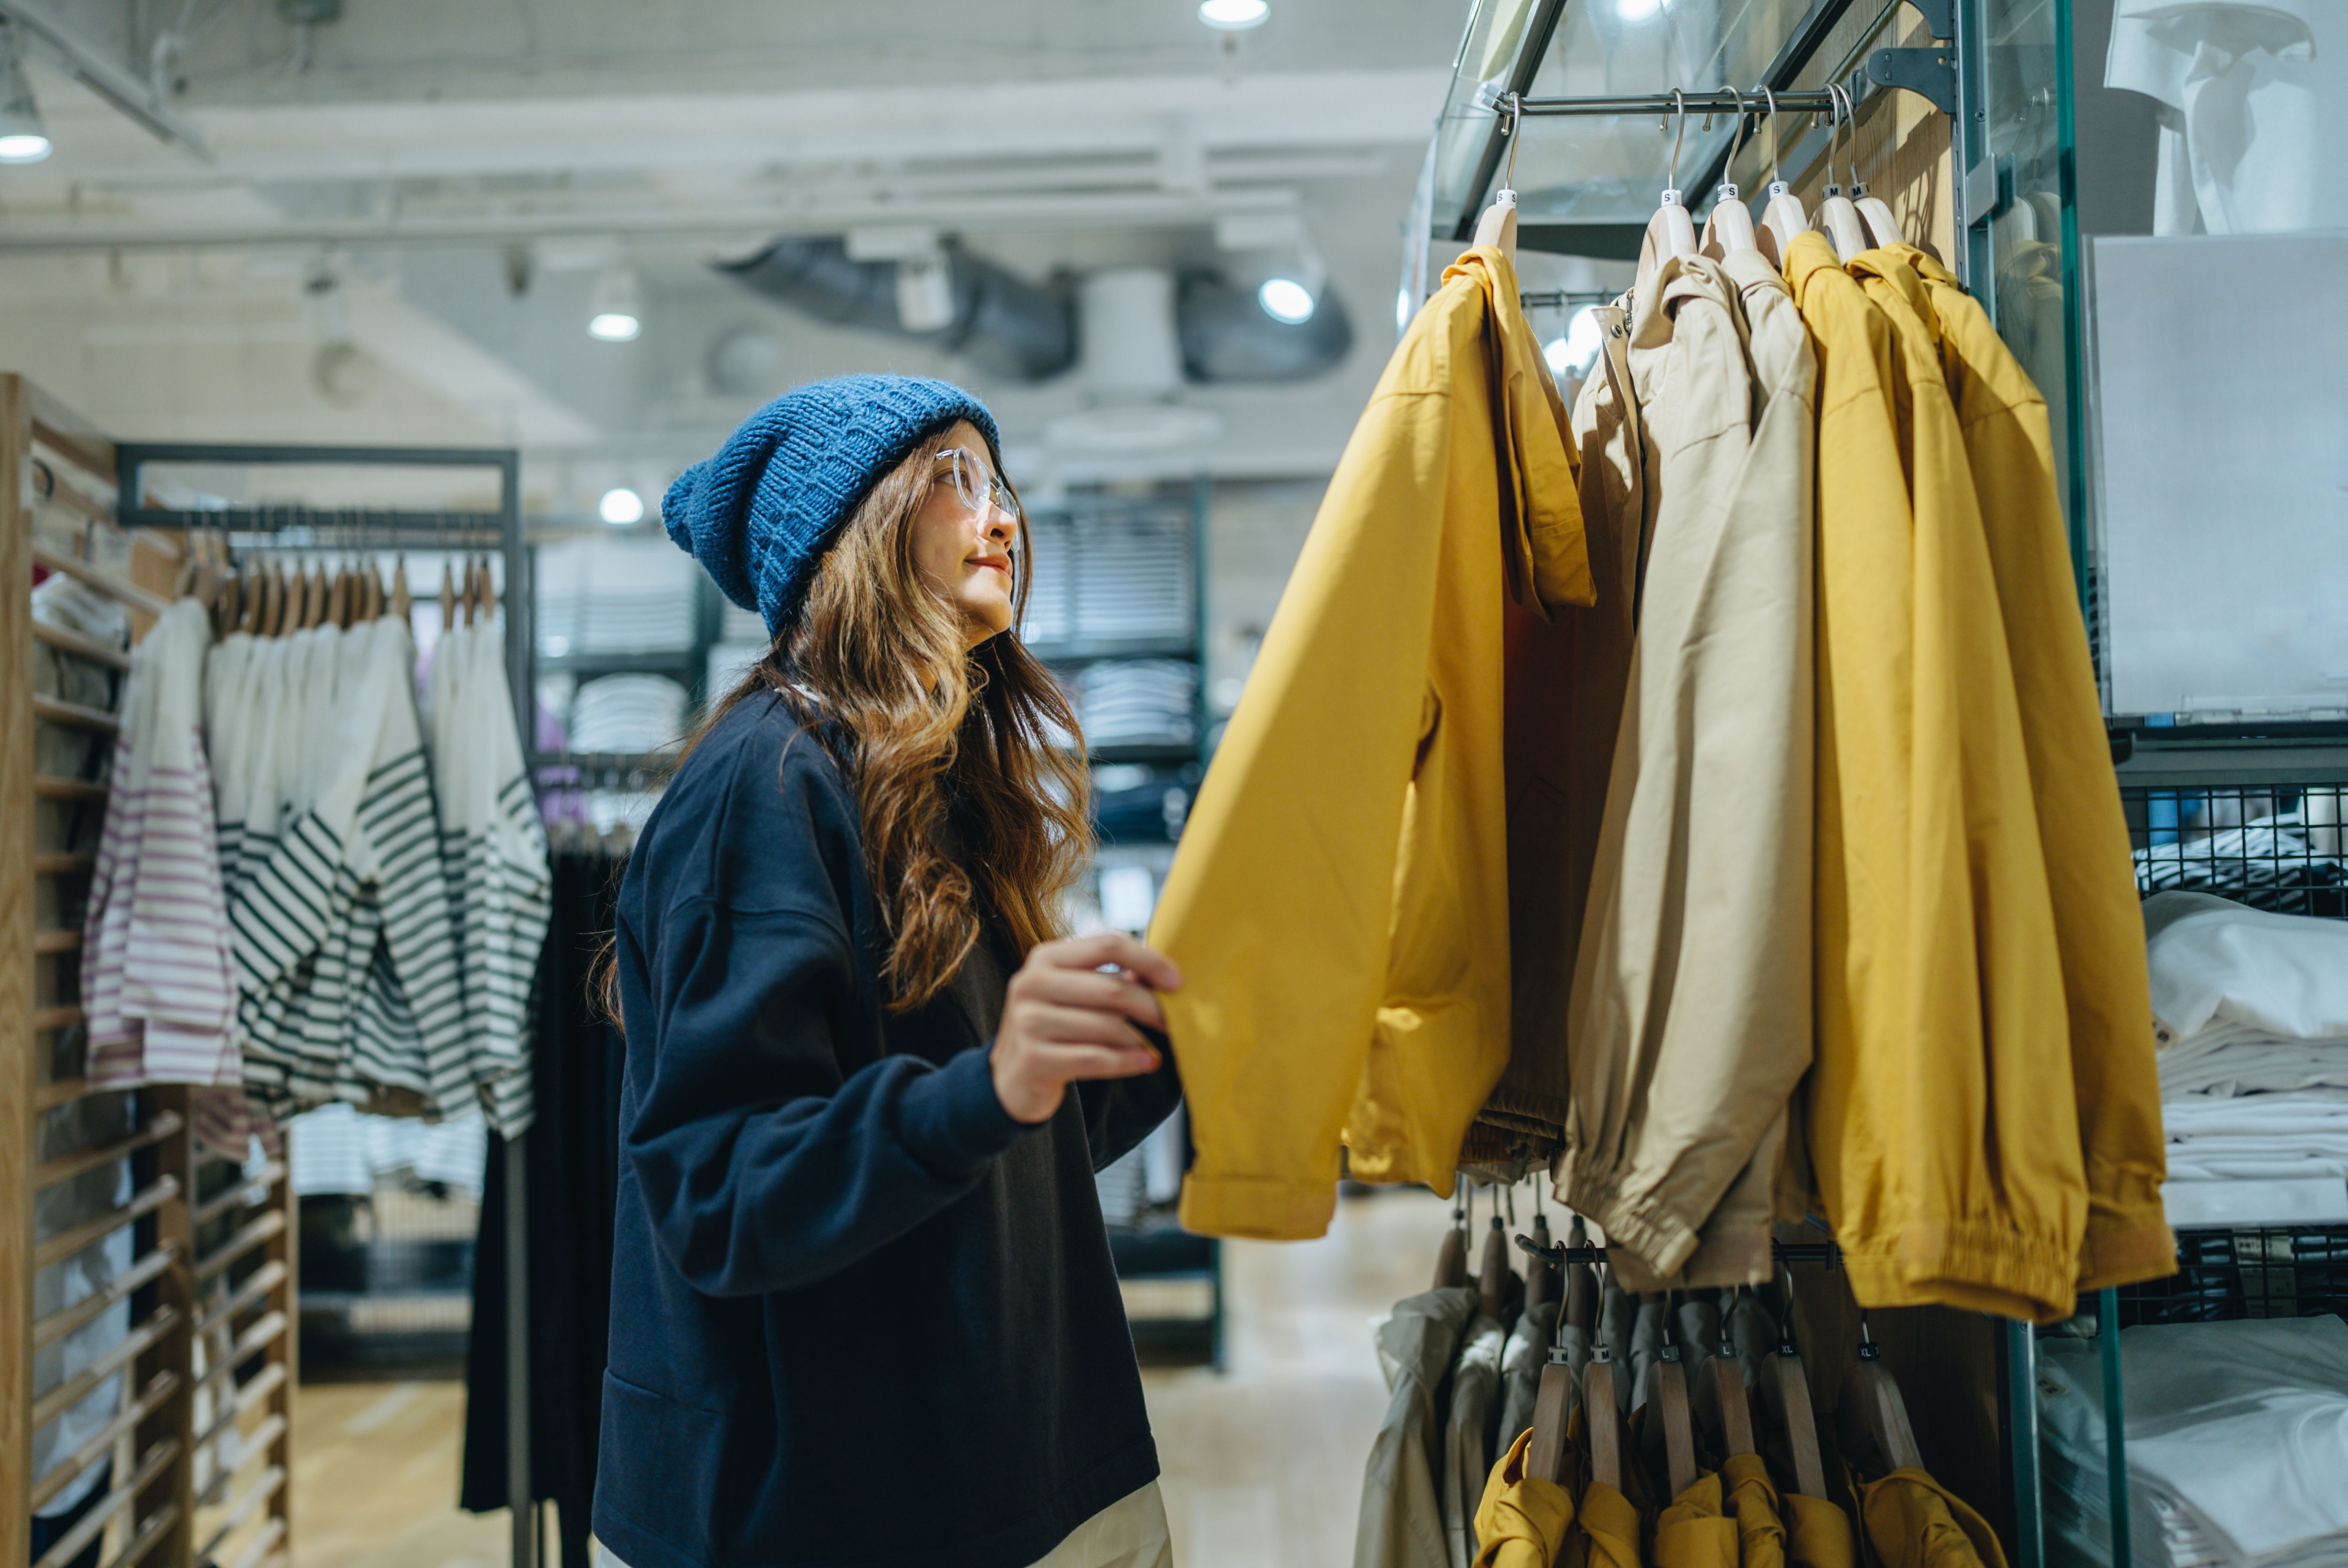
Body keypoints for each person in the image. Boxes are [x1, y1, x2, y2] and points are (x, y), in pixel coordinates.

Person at [593, 375, 1186, 1568]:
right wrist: (990, 1087)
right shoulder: (762, 789)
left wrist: (1184, 1022)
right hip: (817, 1509)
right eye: (954, 479)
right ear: (853, 530)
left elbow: (1016, 1142)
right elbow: (723, 1186)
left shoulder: (936, 788)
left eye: (999, 480)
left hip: (1010, 1462)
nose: (1003, 515)